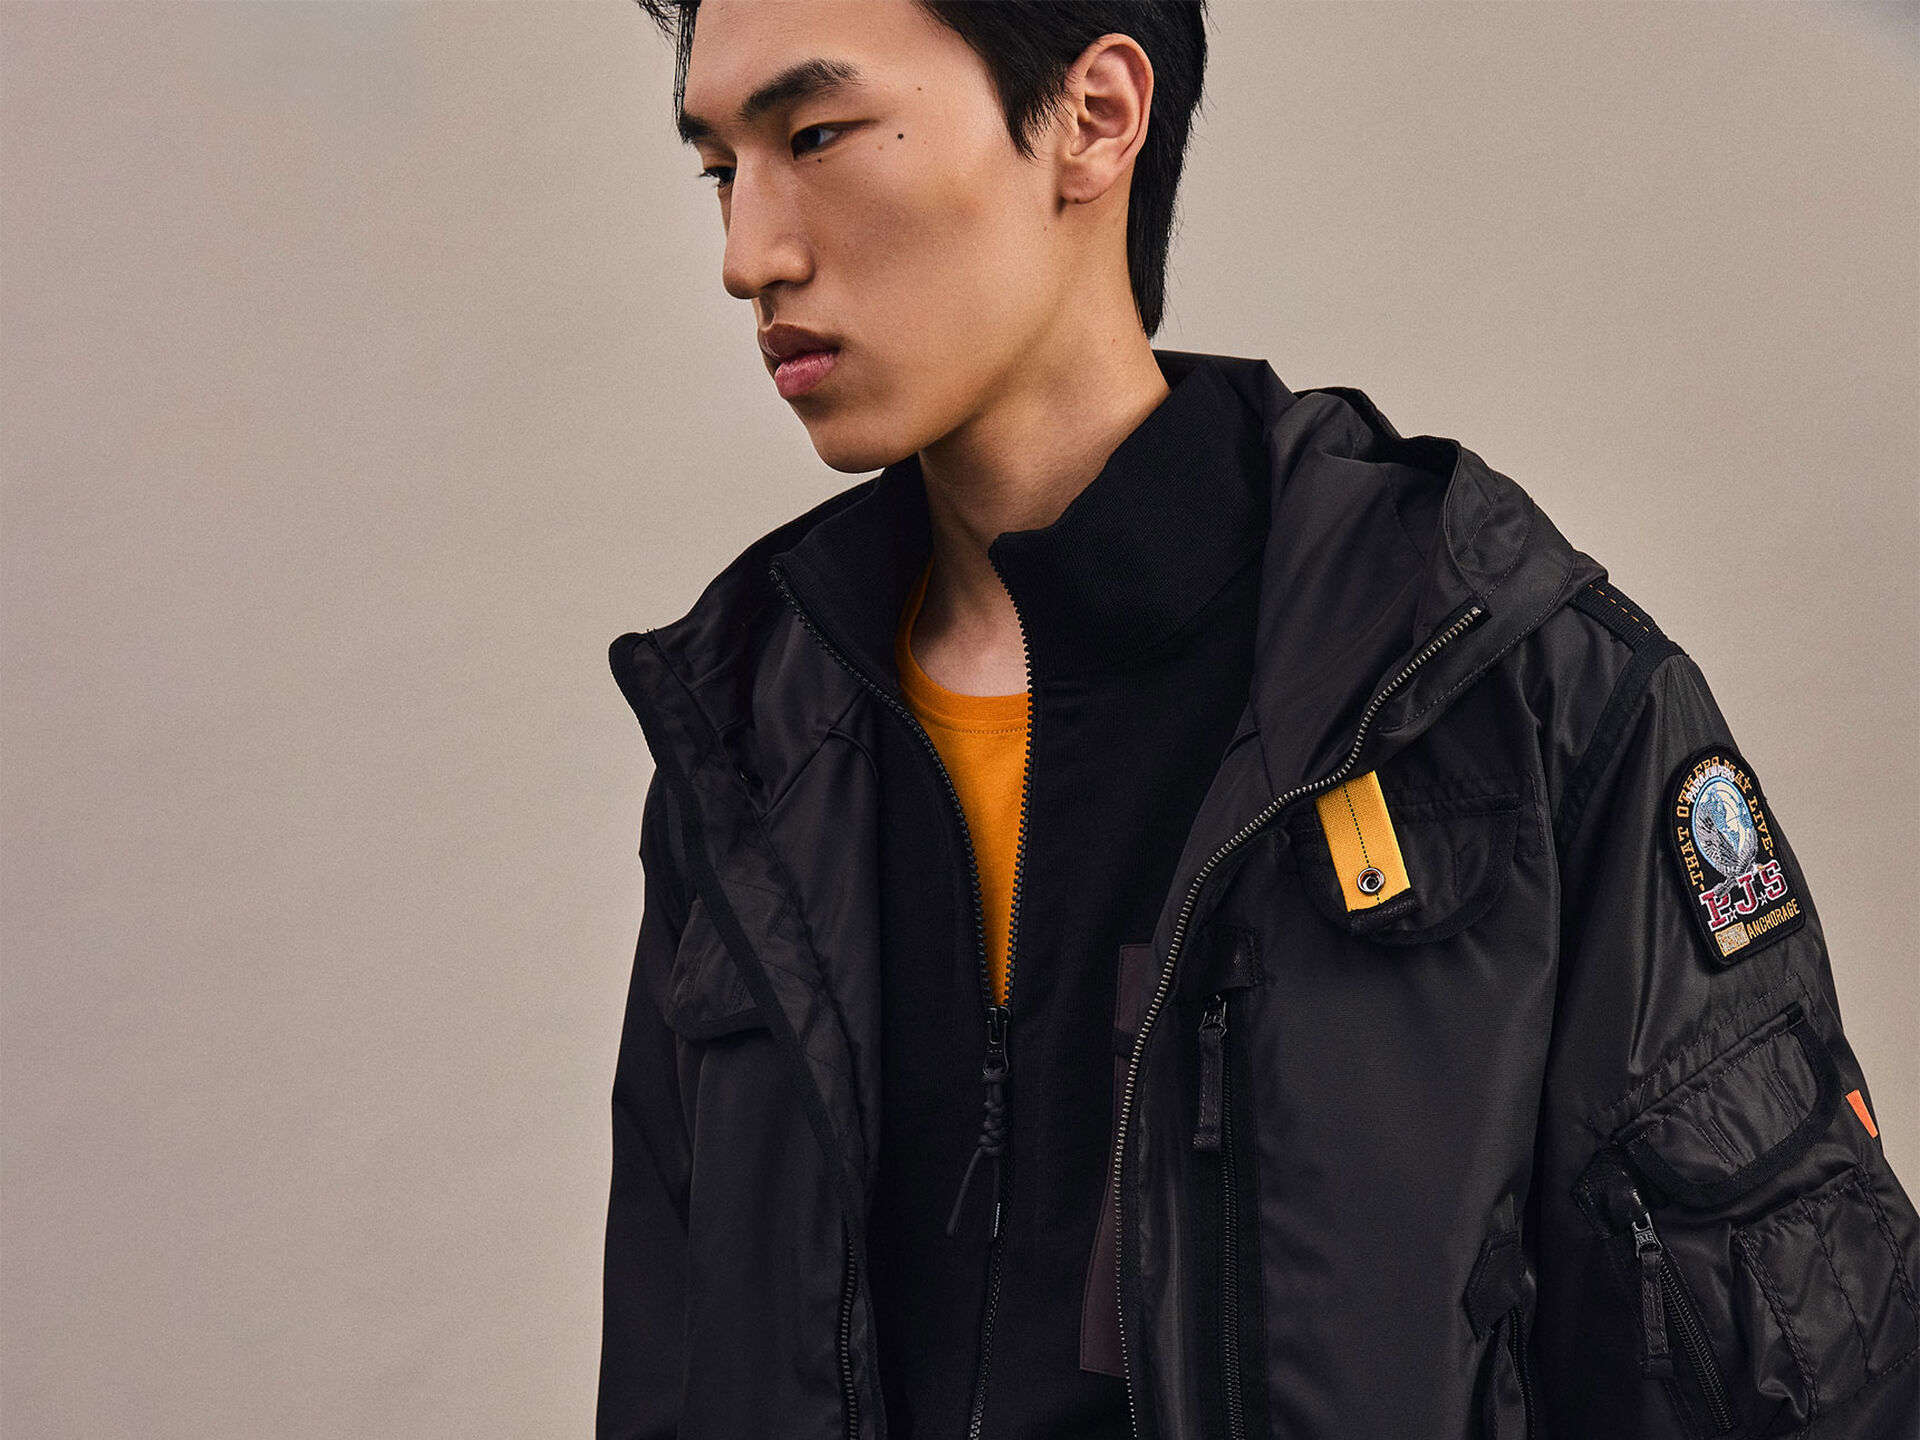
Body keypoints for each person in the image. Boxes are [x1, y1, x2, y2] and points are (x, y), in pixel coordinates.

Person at [597, 2, 1920, 1437]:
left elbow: (1810, 1392)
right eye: (720, 169)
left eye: (814, 136)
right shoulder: (748, 744)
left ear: (1095, 117)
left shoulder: (1499, 694)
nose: (748, 256)